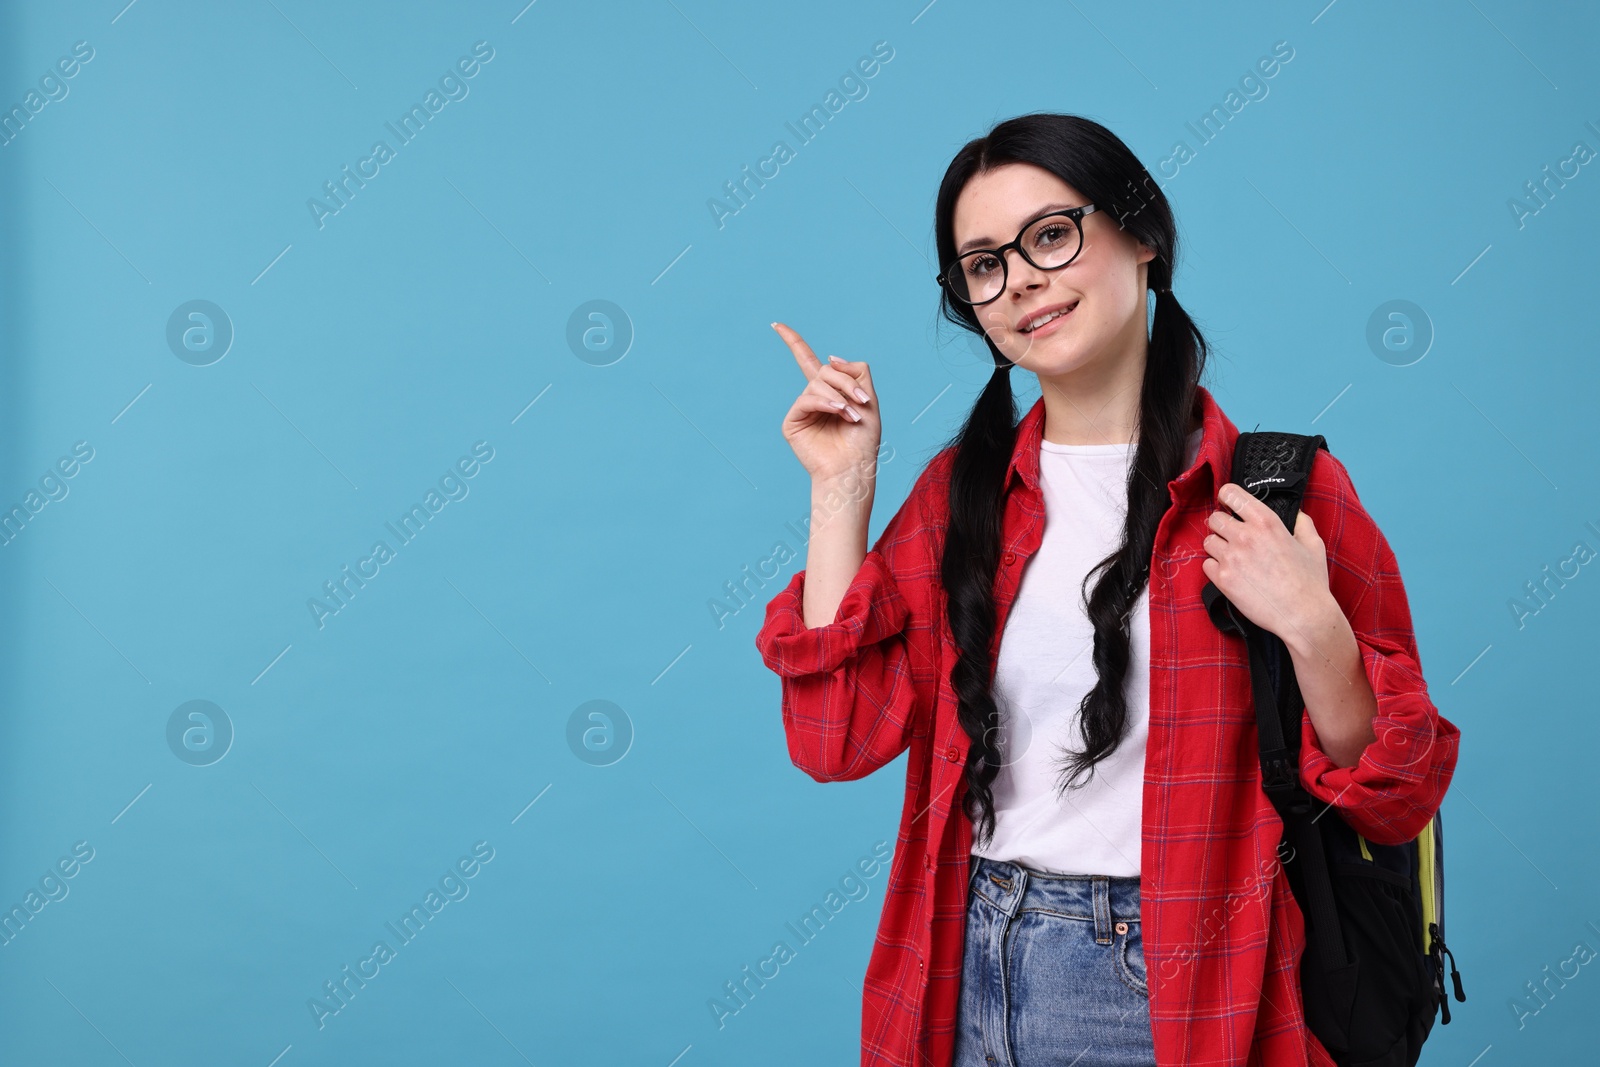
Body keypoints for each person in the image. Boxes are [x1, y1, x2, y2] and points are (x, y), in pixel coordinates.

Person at [754, 113, 1459, 1067]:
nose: (1022, 281)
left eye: (1050, 235)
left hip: (1166, 981)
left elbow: (1397, 792)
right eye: (983, 264)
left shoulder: (1276, 494)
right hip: (966, 958)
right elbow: (836, 742)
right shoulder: (960, 498)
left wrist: (1313, 625)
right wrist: (840, 489)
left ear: (1143, 235)